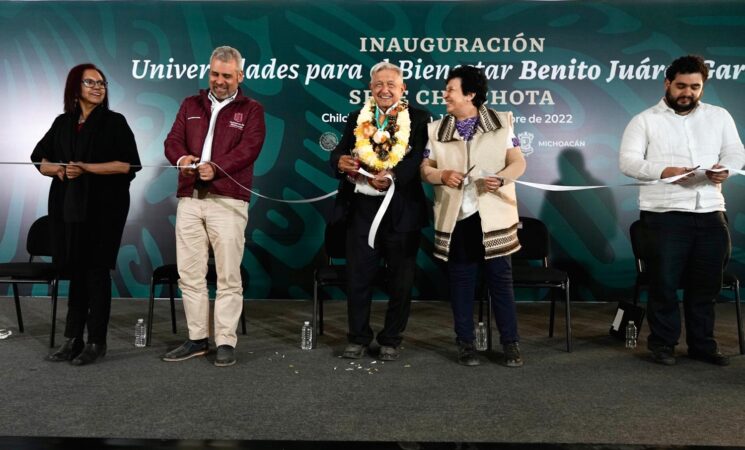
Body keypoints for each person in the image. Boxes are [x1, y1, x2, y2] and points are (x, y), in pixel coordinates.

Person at [619, 55, 745, 366]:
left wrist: (725, 169)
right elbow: (628, 163)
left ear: (703, 86)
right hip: (663, 215)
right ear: (667, 84)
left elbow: (735, 151)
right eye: (680, 86)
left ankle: (703, 345)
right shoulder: (644, 120)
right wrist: (666, 171)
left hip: (711, 212)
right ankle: (663, 345)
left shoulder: (719, 116)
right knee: (663, 283)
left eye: (695, 87)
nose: (687, 92)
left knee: (706, 286)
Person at [31, 63, 141, 365]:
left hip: (105, 209)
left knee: (95, 272)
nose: (98, 87)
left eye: (102, 83)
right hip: (68, 207)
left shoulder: (114, 122)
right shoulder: (62, 122)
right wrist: (59, 170)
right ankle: (72, 339)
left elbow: (127, 165)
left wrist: (86, 168)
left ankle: (96, 342)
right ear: (75, 88)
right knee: (76, 272)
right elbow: (40, 159)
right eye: (90, 82)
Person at [162, 46, 266, 367]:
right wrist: (182, 159)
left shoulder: (251, 109)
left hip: (229, 200)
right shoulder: (190, 104)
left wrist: (215, 167)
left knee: (228, 275)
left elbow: (249, 149)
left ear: (239, 76)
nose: (219, 81)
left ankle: (224, 341)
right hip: (190, 199)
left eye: (226, 75)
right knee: (189, 274)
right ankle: (196, 339)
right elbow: (172, 141)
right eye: (215, 74)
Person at [420, 65, 526, 367]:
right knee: (462, 283)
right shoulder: (436, 129)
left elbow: (518, 162)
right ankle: (465, 344)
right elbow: (425, 170)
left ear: (471, 94)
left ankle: (511, 344)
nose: (445, 95)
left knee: (501, 283)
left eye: (451, 90)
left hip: (494, 216)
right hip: (458, 219)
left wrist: (502, 178)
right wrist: (442, 174)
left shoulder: (502, 124)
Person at [329, 62, 431, 361]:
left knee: (401, 280)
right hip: (361, 209)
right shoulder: (356, 118)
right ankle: (358, 337)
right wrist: (339, 162)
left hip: (402, 211)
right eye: (378, 85)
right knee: (358, 277)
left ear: (403, 89)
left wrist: (391, 176)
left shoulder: (421, 119)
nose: (384, 90)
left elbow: (419, 161)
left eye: (391, 84)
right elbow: (341, 152)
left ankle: (391, 339)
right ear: (371, 89)